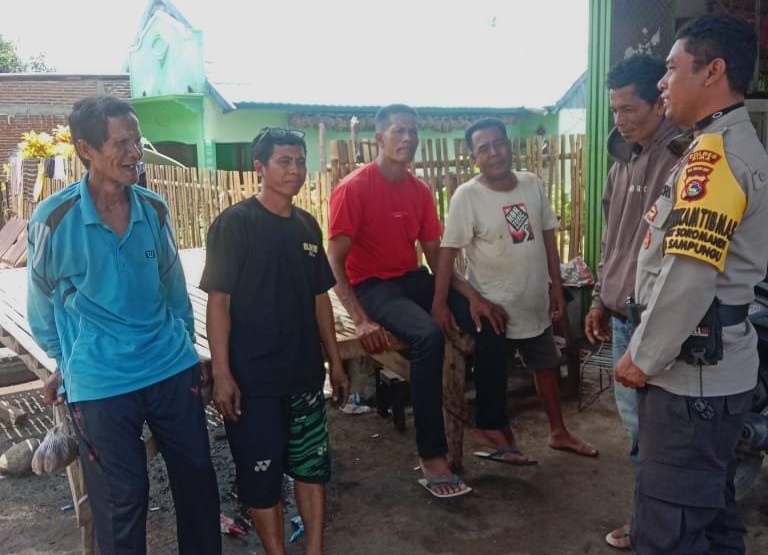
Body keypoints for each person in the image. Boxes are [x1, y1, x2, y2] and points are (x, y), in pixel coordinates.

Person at [27, 95, 221, 555]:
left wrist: (185, 346)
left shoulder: (153, 208)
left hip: (169, 366)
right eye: (121, 143)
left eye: (137, 141)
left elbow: (173, 288)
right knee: (122, 499)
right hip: (101, 382)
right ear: (86, 150)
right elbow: (40, 304)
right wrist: (66, 364)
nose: (135, 153)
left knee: (197, 478)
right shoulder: (54, 220)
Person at [615, 13, 768, 555]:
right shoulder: (720, 144)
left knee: (670, 530)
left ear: (713, 71)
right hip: (709, 376)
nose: (662, 82)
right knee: (712, 518)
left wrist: (643, 356)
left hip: (690, 382)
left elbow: (688, 275)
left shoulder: (715, 156)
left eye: (671, 68)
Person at [200, 128, 349, 555]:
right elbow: (219, 302)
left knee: (312, 470)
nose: (295, 170)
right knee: (262, 481)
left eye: (300, 161)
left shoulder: (306, 225)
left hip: (304, 376)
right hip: (254, 381)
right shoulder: (235, 224)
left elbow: (320, 298)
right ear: (259, 168)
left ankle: (315, 550)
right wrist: (223, 373)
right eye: (284, 161)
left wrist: (336, 362)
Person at [327, 104, 485, 498]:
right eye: (399, 131)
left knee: (486, 317)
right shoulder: (354, 188)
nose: (408, 138)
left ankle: (491, 424)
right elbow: (334, 262)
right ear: (379, 138)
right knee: (427, 335)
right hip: (371, 286)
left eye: (413, 131)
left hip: (410, 278)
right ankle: (432, 454)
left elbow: (435, 257)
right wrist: (361, 319)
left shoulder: (419, 191)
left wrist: (470, 296)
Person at [433, 117, 597, 467]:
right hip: (495, 308)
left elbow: (548, 237)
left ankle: (558, 432)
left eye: (499, 144)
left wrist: (555, 287)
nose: (494, 153)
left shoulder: (531, 183)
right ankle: (498, 439)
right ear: (474, 157)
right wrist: (440, 303)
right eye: (484, 148)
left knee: (546, 365)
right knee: (494, 376)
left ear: (510, 146)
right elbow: (447, 252)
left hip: (533, 300)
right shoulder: (467, 196)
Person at [583, 55, 681, 549]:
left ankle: (655, 526)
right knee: (639, 429)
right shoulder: (622, 159)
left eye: (629, 109)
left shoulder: (680, 159)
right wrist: (599, 298)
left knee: (658, 433)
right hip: (622, 314)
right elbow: (613, 241)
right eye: (614, 109)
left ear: (659, 102)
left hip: (657, 319)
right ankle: (653, 519)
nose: (619, 120)